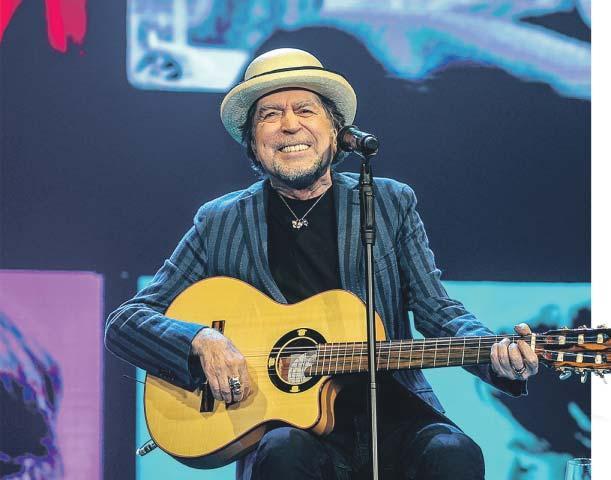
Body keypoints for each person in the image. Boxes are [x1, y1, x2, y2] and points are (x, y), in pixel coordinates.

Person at [105, 48, 539, 479]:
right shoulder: (221, 221)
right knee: (282, 452)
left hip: (394, 414)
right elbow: (126, 321)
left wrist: (495, 353)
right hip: (286, 433)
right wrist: (200, 340)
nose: (289, 124)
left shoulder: (390, 203)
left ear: (335, 131)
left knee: (454, 453)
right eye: (270, 114)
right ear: (253, 141)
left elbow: (437, 311)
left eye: (305, 110)